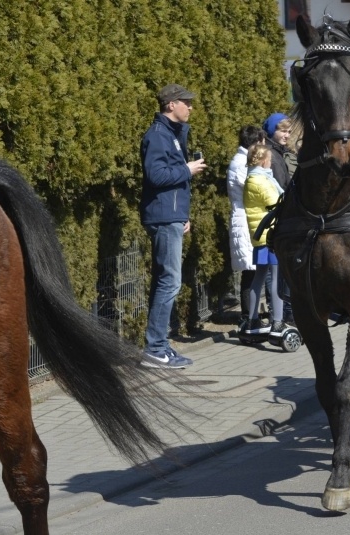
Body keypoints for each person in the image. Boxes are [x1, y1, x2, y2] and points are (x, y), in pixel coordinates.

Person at [139, 83, 207, 369]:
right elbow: (155, 175)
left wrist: (183, 215)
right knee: (170, 282)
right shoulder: (157, 136)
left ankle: (160, 346)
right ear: (171, 105)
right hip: (163, 218)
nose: (190, 107)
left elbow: (170, 182)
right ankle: (155, 348)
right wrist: (187, 170)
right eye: (186, 102)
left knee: (165, 282)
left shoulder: (171, 134)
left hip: (171, 216)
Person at [243, 145, 291, 338]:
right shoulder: (260, 181)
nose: (271, 163)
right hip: (270, 235)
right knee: (277, 279)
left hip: (261, 235)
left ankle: (253, 319)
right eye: (269, 160)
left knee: (259, 278)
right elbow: (277, 202)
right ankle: (278, 322)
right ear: (263, 161)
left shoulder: (253, 178)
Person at [228, 125, 267, 326]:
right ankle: (247, 317)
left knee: (254, 268)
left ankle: (253, 315)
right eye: (261, 142)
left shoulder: (245, 161)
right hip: (244, 219)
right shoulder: (240, 163)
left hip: (250, 217)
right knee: (249, 271)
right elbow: (253, 188)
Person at [262, 112, 295, 189]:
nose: (287, 136)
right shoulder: (271, 155)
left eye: (289, 132)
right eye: (283, 131)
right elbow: (281, 186)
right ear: (272, 130)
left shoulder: (279, 150)